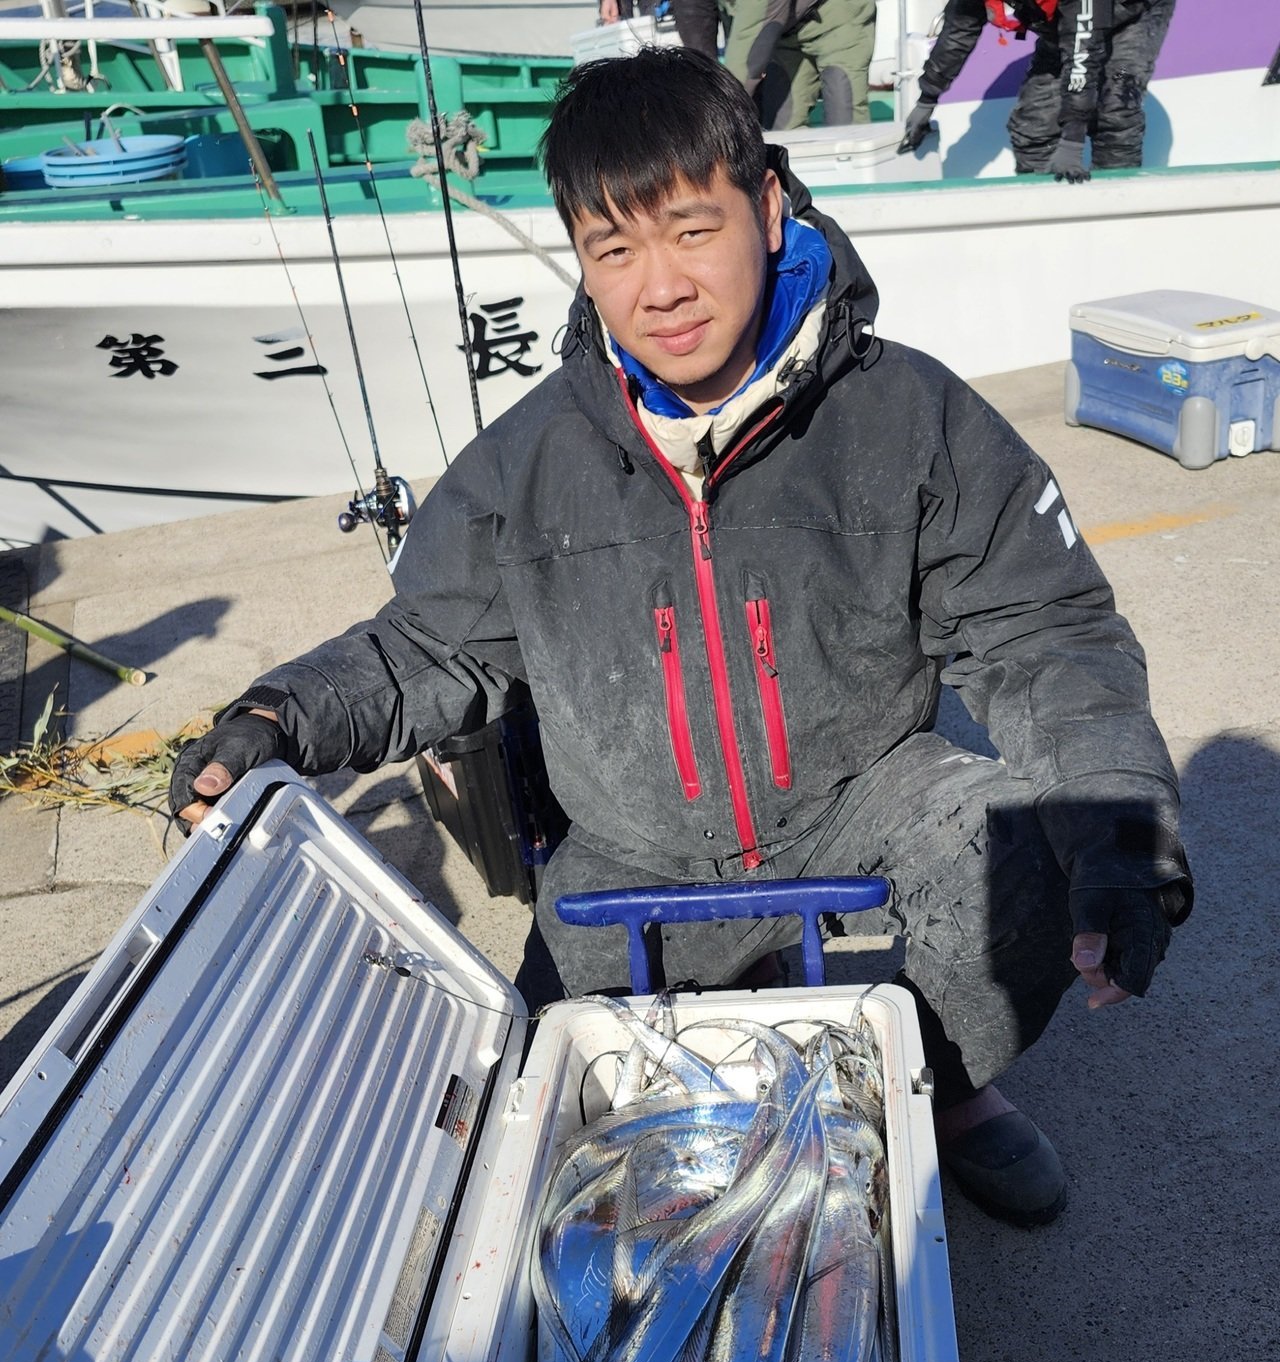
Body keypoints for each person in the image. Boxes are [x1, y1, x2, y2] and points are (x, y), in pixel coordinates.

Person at [170, 47, 1192, 1227]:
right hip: (629, 848)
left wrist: (1122, 831)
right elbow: (427, 648)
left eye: (691, 230)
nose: (659, 286)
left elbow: (1043, 633)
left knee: (1022, 844)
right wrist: (278, 715)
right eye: (612, 249)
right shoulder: (522, 458)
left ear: (768, 206)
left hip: (858, 795)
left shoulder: (913, 413)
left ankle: (941, 1088)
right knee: (545, 1136)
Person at [897, 0, 1177, 181]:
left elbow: (1083, 55)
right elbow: (957, 34)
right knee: (1033, 125)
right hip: (1067, 24)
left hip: (1133, 15)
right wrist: (927, 99)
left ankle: (1114, 215)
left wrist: (1072, 141)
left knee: (1114, 113)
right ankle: (1048, 214)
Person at [724, 0, 879, 128]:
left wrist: (721, 113)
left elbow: (747, 55)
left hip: (841, 19)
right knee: (782, 125)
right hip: (786, 32)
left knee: (844, 118)